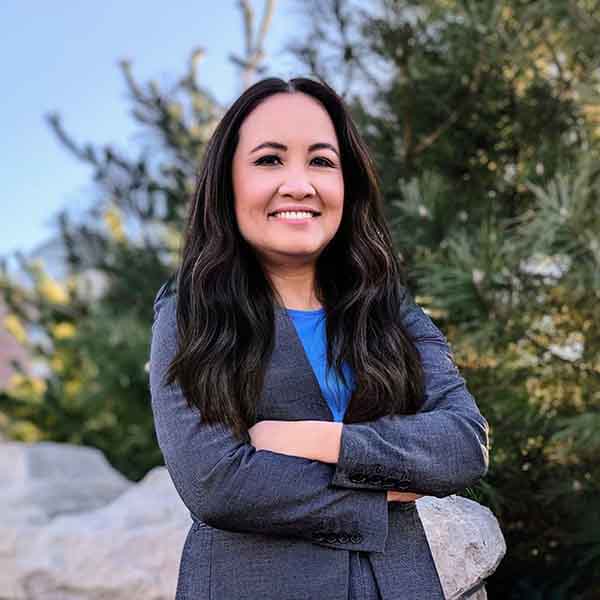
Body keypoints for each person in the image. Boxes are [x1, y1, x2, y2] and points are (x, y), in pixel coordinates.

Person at [149, 76, 490, 600]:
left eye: (321, 161)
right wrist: (387, 491)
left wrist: (318, 441)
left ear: (346, 182)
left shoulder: (392, 312)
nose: (299, 184)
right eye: (269, 160)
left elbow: (463, 444)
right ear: (228, 182)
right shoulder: (188, 314)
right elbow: (216, 484)